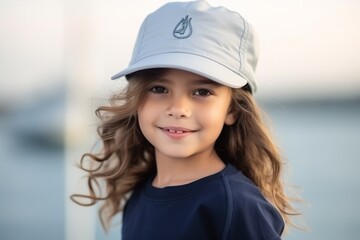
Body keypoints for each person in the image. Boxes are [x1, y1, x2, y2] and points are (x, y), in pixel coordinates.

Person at [72, 1, 300, 239]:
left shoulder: (236, 206)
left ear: (232, 110)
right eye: (159, 89)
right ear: (136, 100)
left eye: (202, 92)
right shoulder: (140, 194)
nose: (178, 109)